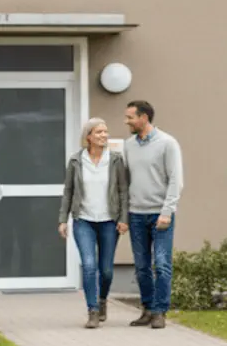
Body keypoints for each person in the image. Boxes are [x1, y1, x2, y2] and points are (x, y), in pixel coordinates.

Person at [59, 118, 129, 328]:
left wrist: (124, 218)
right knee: (89, 265)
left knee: (106, 270)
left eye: (105, 132)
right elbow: (68, 191)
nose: (103, 136)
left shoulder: (116, 160)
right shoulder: (76, 160)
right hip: (84, 220)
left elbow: (123, 191)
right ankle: (92, 310)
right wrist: (63, 219)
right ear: (88, 136)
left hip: (109, 221)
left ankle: (102, 300)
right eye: (99, 132)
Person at [124, 100, 183, 329]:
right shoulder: (129, 145)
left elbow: (176, 180)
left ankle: (160, 311)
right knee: (141, 266)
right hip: (136, 213)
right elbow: (126, 179)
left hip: (161, 214)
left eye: (130, 117)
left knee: (161, 263)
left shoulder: (167, 143)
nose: (126, 121)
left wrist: (167, 211)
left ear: (144, 118)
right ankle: (147, 308)